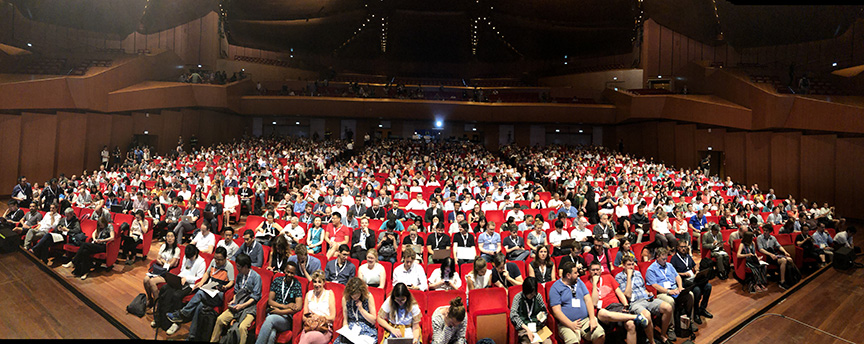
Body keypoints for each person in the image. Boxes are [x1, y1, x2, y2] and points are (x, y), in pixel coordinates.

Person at [167, 246, 236, 339]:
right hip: (210, 290)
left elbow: (231, 281)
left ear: (225, 258)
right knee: (198, 307)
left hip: (219, 294)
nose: (216, 261)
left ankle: (182, 313)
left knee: (200, 293)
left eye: (219, 259)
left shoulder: (229, 266)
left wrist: (225, 287)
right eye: (215, 258)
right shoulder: (213, 262)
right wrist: (201, 282)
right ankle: (191, 336)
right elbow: (207, 273)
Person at [584, 261, 654, 344]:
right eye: (593, 270)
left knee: (631, 325)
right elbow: (594, 303)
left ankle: (633, 318)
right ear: (589, 271)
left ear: (600, 270)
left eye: (597, 270)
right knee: (602, 313)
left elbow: (619, 293)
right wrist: (595, 284)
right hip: (603, 312)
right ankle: (636, 317)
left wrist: (626, 305)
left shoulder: (608, 277)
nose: (595, 272)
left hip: (617, 307)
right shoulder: (586, 285)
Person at [615, 256, 674, 344]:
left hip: (646, 299)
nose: (631, 267)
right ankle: (652, 341)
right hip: (634, 303)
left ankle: (662, 334)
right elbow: (627, 294)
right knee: (646, 315)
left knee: (668, 307)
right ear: (623, 266)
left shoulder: (638, 273)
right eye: (628, 265)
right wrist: (629, 277)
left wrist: (648, 293)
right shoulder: (619, 277)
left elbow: (643, 288)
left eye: (632, 264)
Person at [210, 253, 262, 344]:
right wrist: (234, 300)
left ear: (245, 266)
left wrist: (242, 306)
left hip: (249, 307)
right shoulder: (239, 275)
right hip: (237, 304)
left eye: (239, 267)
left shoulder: (256, 277)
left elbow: (255, 297)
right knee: (220, 319)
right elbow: (236, 291)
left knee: (242, 327)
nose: (237, 268)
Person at [549, 261, 605, 344]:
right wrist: (571, 325)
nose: (578, 274)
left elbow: (588, 300)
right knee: (573, 342)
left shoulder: (579, 282)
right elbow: (556, 312)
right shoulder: (555, 288)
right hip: (566, 324)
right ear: (568, 275)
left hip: (585, 321)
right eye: (575, 273)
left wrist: (592, 318)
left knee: (600, 334)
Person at [646, 247, 696, 337]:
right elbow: (654, 286)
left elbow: (677, 277)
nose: (665, 261)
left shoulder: (669, 265)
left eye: (666, 258)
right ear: (657, 257)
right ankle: (670, 328)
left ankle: (690, 321)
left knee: (690, 295)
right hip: (662, 293)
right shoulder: (651, 269)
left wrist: (680, 287)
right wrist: (668, 291)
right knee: (670, 301)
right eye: (663, 259)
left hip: (674, 289)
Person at [256, 262, 303, 344]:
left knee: (270, 319)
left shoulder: (297, 285)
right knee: (271, 335)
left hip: (286, 319)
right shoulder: (277, 281)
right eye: (288, 272)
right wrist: (286, 306)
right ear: (284, 270)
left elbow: (298, 307)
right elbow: (270, 301)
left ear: (295, 274)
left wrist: (280, 311)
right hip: (273, 312)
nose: (289, 274)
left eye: (292, 273)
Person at [670, 240, 713, 325]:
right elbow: (672, 273)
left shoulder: (688, 256)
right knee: (697, 290)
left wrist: (697, 271)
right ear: (678, 248)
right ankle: (696, 313)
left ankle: (702, 309)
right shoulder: (674, 259)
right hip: (684, 280)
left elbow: (694, 265)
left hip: (693, 278)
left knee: (708, 286)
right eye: (682, 247)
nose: (684, 249)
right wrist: (683, 274)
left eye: (685, 247)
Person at [334, 277, 378, 344]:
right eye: (352, 296)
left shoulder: (368, 297)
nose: (354, 297)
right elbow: (345, 320)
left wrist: (361, 309)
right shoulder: (345, 298)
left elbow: (373, 320)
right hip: (352, 329)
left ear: (361, 292)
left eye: (357, 295)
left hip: (366, 328)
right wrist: (345, 330)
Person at [143, 231, 181, 307]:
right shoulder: (163, 246)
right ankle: (150, 299)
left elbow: (171, 264)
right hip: (159, 269)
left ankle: (157, 303)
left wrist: (163, 261)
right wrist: (165, 262)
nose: (169, 238)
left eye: (171, 236)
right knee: (145, 280)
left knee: (152, 282)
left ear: (174, 238)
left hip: (167, 272)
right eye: (168, 236)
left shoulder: (177, 250)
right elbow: (157, 259)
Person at [510, 277, 552, 344]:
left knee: (548, 342)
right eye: (530, 294)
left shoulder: (538, 296)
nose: (532, 296)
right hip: (525, 329)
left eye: (533, 293)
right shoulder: (518, 298)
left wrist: (542, 317)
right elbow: (513, 315)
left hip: (538, 327)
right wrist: (526, 328)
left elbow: (544, 311)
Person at [298, 271, 336, 344]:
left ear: (323, 282)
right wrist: (312, 319)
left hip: (324, 329)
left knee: (306, 338)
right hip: (310, 327)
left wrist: (318, 317)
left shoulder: (329, 294)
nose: (317, 285)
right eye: (315, 282)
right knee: (305, 338)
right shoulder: (308, 294)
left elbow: (332, 317)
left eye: (319, 282)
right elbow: (304, 317)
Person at [757, 224, 795, 290]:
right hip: (766, 256)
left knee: (790, 259)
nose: (765, 232)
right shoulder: (760, 238)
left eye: (767, 231)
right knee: (783, 260)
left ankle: (791, 278)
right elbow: (761, 249)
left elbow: (778, 246)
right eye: (764, 230)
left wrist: (785, 252)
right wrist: (770, 254)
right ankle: (782, 281)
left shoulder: (773, 238)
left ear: (770, 231)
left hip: (773, 254)